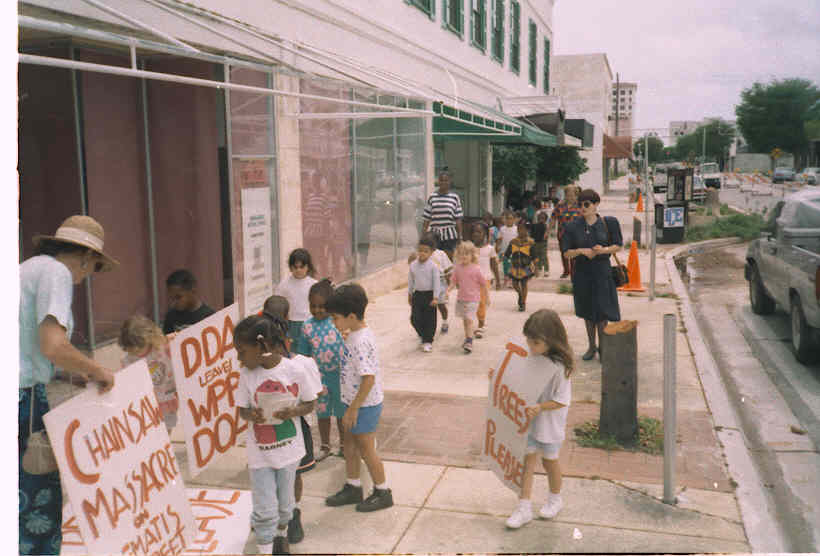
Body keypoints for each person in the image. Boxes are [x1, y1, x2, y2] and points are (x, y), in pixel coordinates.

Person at [20, 215, 117, 555]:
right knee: (35, 505)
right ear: (87, 257)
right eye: (91, 269)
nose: (85, 278)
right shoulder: (57, 274)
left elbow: (33, 346)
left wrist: (71, 371)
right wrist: (96, 370)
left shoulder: (30, 269)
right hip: (22, 399)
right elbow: (53, 345)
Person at [234, 314, 320, 555]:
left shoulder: (295, 370)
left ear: (262, 347)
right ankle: (265, 548)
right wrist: (253, 416)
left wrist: (293, 411)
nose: (239, 358)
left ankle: (280, 538)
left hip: (289, 452)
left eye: (242, 351)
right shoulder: (246, 375)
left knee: (285, 507)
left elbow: (310, 403)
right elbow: (242, 410)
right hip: (260, 455)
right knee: (264, 510)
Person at [325, 284, 394, 511]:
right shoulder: (355, 333)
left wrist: (354, 408)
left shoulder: (361, 342)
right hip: (351, 402)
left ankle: (383, 491)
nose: (333, 323)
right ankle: (353, 486)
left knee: (366, 449)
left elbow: (368, 379)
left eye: (335, 318)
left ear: (351, 316)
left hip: (363, 405)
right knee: (350, 446)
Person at [503, 309, 573, 529]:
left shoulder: (560, 368)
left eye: (535, 343)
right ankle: (523, 507)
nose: (531, 348)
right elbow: (518, 378)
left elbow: (562, 400)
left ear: (551, 341)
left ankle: (555, 498)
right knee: (527, 461)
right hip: (529, 422)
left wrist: (540, 407)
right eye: (529, 342)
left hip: (549, 424)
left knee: (550, 461)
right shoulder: (532, 357)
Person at [260, 295, 317, 545]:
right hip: (276, 426)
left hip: (284, 427)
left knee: (283, 473)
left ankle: (289, 516)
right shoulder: (300, 363)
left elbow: (310, 399)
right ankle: (287, 516)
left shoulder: (296, 363)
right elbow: (314, 397)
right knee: (288, 474)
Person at [561, 188, 623, 361]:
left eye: (586, 204)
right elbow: (566, 252)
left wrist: (603, 250)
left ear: (596, 204)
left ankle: (604, 348)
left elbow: (618, 245)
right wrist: (581, 251)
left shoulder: (608, 222)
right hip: (582, 272)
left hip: (602, 271)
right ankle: (591, 346)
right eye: (580, 204)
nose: (583, 207)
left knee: (602, 312)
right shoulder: (572, 226)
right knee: (587, 312)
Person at [296, 279, 346, 461]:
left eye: (322, 306)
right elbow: (303, 355)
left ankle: (344, 445)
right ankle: (325, 446)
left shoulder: (338, 323)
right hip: (319, 380)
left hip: (341, 378)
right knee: (323, 414)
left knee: (342, 414)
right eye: (313, 306)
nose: (317, 310)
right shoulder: (307, 326)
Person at [119, 315, 179, 431]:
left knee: (167, 428)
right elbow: (125, 383)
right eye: (131, 349)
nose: (135, 351)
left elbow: (179, 348)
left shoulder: (162, 347)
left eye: (139, 347)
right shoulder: (128, 360)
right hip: (146, 404)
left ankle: (165, 446)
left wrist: (176, 340)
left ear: (150, 339)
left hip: (166, 397)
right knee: (151, 432)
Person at [275, 248, 319, 355]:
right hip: (292, 323)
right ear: (290, 267)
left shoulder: (313, 284)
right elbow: (277, 302)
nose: (298, 270)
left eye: (301, 267)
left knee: (310, 351)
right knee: (295, 353)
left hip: (310, 322)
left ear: (307, 266)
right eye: (295, 267)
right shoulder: (284, 284)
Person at [448, 241, 488, 354]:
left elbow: (483, 284)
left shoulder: (476, 269)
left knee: (469, 320)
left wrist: (487, 298)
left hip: (473, 299)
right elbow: (453, 282)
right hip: (461, 299)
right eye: (461, 253)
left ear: (472, 255)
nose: (464, 256)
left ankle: (469, 341)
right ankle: (467, 338)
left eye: (467, 253)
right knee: (465, 321)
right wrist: (447, 291)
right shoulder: (457, 268)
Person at [408, 236, 453, 335]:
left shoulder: (441, 254)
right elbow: (412, 267)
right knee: (425, 309)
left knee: (441, 305)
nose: (422, 252)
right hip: (426, 285)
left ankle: (445, 321)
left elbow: (447, 271)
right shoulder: (419, 254)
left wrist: (448, 287)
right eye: (420, 249)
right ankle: (425, 330)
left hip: (440, 282)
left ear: (433, 248)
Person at [408, 234, 442, 352]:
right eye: (420, 250)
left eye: (426, 251)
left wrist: (436, 297)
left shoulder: (433, 266)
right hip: (417, 295)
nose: (422, 253)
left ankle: (428, 341)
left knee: (430, 319)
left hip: (430, 296)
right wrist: (410, 294)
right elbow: (411, 280)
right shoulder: (413, 265)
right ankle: (422, 334)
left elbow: (437, 283)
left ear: (431, 252)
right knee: (414, 318)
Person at [422, 169, 463, 259]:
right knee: (435, 259)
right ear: (438, 181)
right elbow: (427, 218)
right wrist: (423, 235)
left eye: (446, 180)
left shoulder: (455, 198)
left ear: (450, 182)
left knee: (448, 261)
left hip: (450, 235)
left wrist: (460, 237)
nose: (444, 182)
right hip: (434, 235)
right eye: (441, 180)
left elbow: (458, 219)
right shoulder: (432, 197)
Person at [163, 269, 216, 334]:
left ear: (192, 291)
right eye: (172, 298)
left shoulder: (209, 316)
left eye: (178, 297)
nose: (174, 303)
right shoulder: (171, 317)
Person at [472, 222, 500, 338]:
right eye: (474, 232)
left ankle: (481, 325)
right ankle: (479, 319)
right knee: (473, 303)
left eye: (479, 232)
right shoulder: (469, 248)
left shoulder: (490, 249)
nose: (476, 234)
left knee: (481, 303)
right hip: (471, 281)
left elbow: (494, 265)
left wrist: (498, 280)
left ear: (485, 234)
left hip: (485, 280)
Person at [550, 186, 582, 279]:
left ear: (576, 195)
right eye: (568, 195)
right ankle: (566, 270)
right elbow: (553, 218)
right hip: (562, 233)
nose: (570, 198)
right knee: (564, 252)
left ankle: (573, 272)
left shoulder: (580, 206)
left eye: (572, 195)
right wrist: (548, 231)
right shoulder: (560, 206)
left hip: (576, 235)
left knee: (574, 253)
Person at [505, 221, 537, 312]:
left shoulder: (531, 242)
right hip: (515, 267)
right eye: (519, 229)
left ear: (527, 231)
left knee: (524, 284)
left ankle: (523, 303)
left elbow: (534, 256)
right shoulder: (513, 242)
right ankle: (520, 294)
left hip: (526, 267)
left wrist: (536, 267)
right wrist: (502, 259)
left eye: (523, 229)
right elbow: (508, 253)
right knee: (515, 284)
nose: (520, 231)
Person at [495, 210, 518, 289]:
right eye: (507, 218)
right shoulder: (502, 229)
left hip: (514, 251)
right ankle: (506, 279)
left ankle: (511, 281)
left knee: (512, 265)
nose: (509, 220)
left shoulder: (516, 229)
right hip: (504, 250)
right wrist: (497, 246)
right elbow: (499, 239)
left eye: (511, 218)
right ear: (505, 219)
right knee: (505, 265)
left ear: (514, 219)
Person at [530, 211, 549, 278]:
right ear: (538, 218)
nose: (541, 219)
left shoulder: (546, 226)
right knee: (537, 256)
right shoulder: (535, 225)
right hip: (536, 243)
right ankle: (539, 269)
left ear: (545, 219)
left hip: (543, 243)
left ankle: (546, 270)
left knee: (544, 256)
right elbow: (532, 234)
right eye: (540, 218)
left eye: (543, 218)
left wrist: (546, 235)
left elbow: (546, 233)